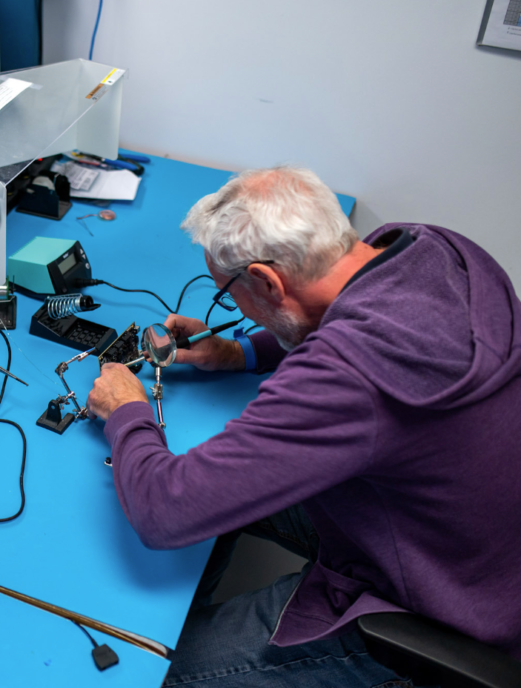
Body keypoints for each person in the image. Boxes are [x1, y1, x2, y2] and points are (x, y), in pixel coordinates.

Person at [86, 166, 521, 687]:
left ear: (267, 281)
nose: (234, 307)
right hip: (478, 543)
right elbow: (344, 317)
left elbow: (165, 511)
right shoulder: (433, 251)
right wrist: (240, 351)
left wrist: (126, 410)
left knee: (154, 667)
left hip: (441, 608)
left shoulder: (351, 381)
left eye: (231, 294)